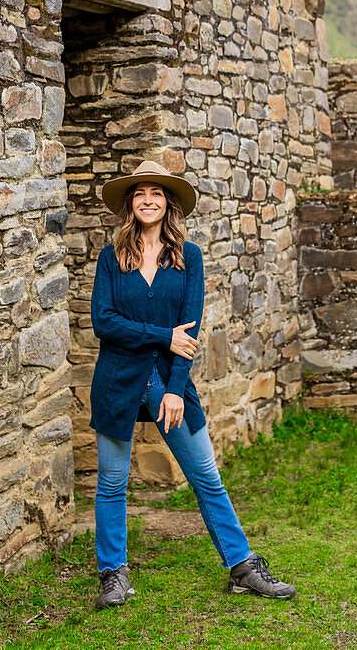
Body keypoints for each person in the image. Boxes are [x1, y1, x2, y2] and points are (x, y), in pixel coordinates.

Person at [89, 158, 296, 607]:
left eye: (156, 193)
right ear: (131, 203)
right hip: (116, 382)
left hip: (168, 382)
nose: (148, 200)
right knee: (111, 481)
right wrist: (162, 336)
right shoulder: (112, 257)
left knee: (205, 475)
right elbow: (102, 322)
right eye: (140, 193)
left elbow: (191, 329)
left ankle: (241, 566)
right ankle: (113, 574)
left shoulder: (189, 257)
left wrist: (176, 388)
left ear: (168, 203)